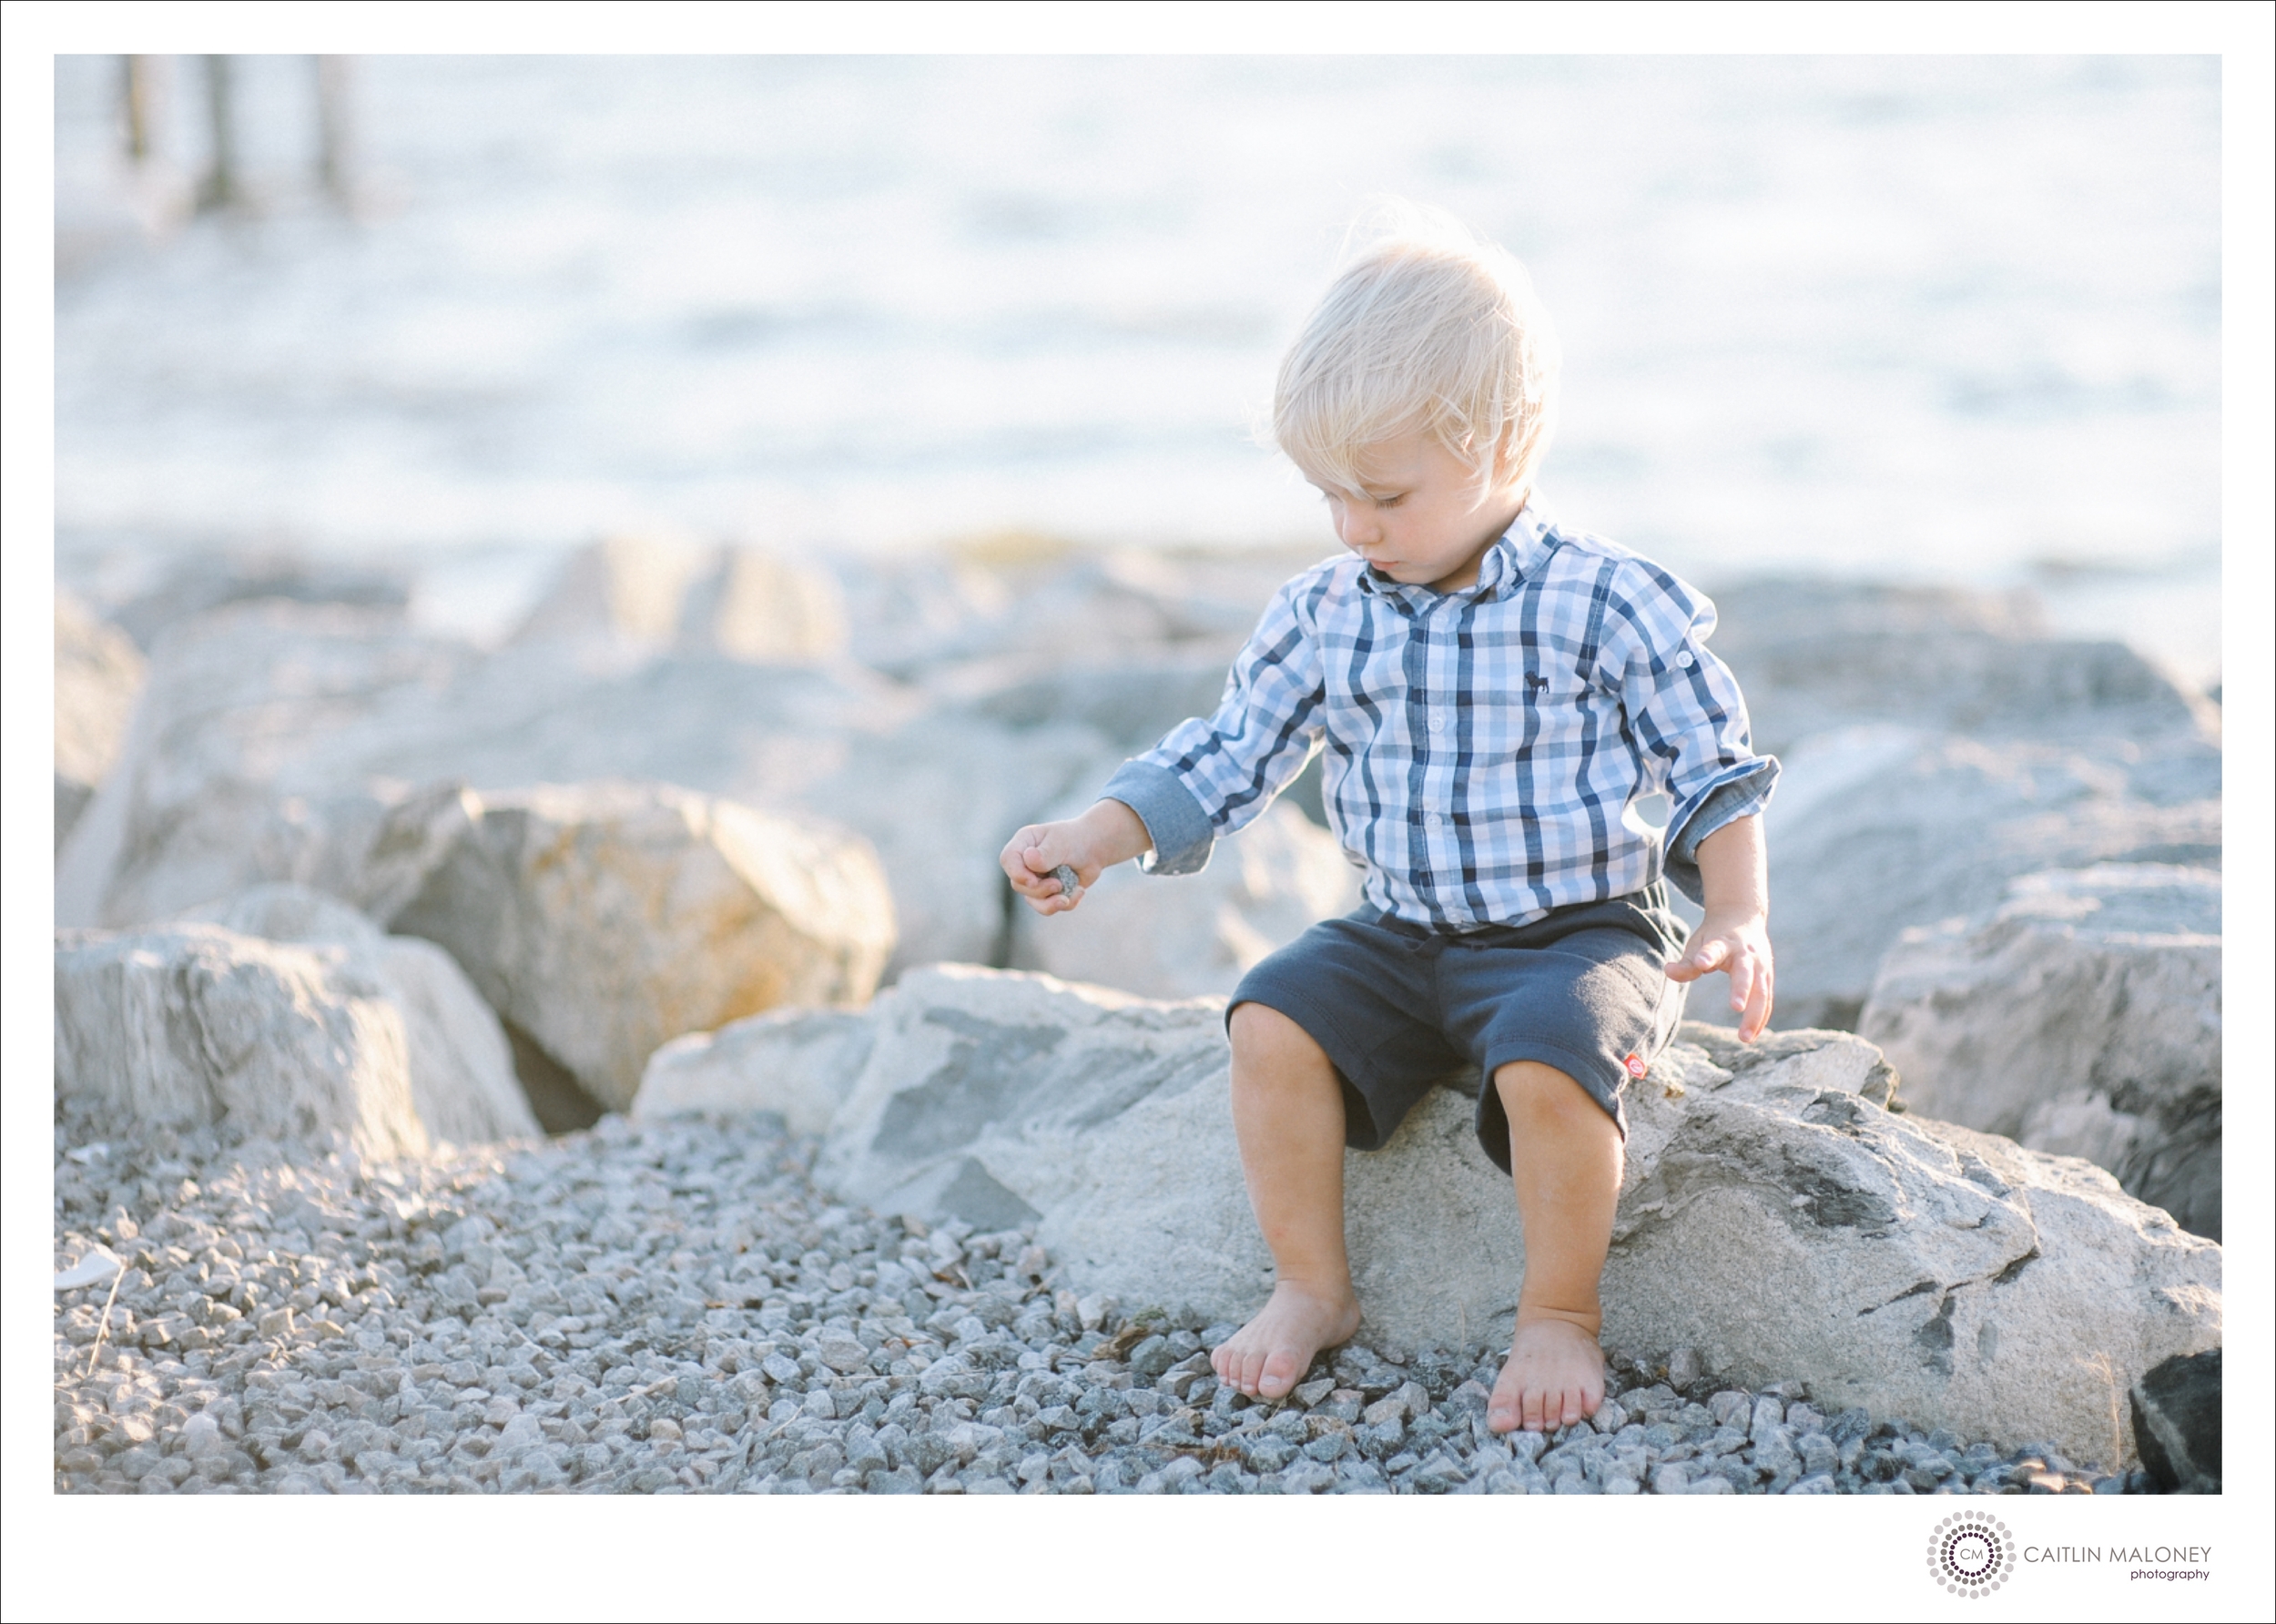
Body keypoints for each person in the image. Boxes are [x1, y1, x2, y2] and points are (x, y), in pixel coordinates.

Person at [997, 208, 1777, 1436]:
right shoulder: (1327, 609)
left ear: (1507, 444)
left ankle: (1558, 1312)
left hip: (1579, 933)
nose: (1355, 526)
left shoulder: (1605, 598)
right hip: (1403, 933)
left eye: (1385, 494)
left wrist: (1734, 910)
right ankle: (1313, 1287)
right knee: (1269, 1018)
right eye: (1329, 497)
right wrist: (1097, 837)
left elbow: (1708, 760)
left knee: (1545, 1065)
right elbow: (1230, 750)